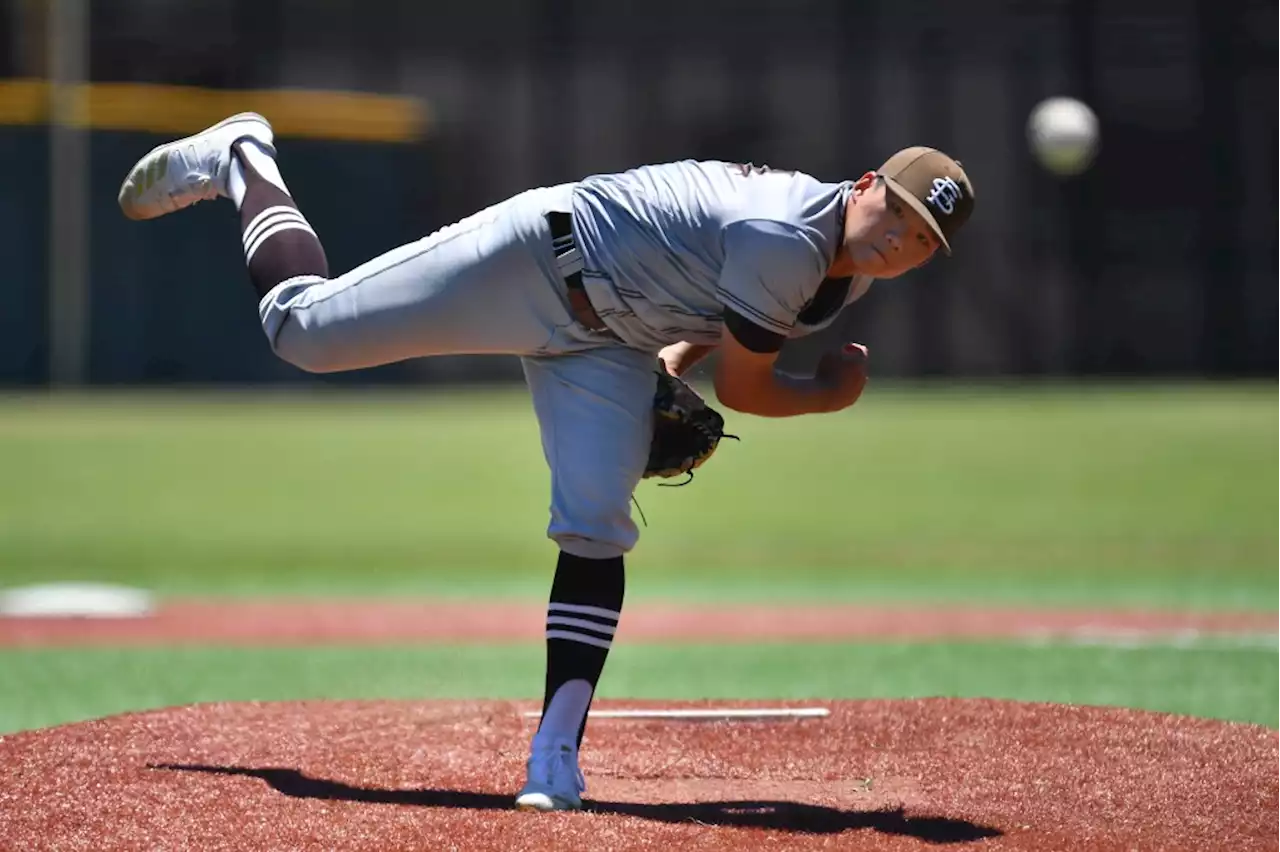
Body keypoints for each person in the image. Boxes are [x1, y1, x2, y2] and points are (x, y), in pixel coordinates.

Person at [116, 113, 975, 812]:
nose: (899, 238)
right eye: (895, 211)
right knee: (299, 330)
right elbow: (749, 390)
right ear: (865, 185)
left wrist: (668, 369)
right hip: (537, 259)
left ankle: (553, 755)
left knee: (596, 527)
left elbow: (706, 313)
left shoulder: (843, 271)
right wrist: (831, 392)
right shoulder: (787, 234)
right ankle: (242, 154)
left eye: (922, 239)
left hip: (615, 341)